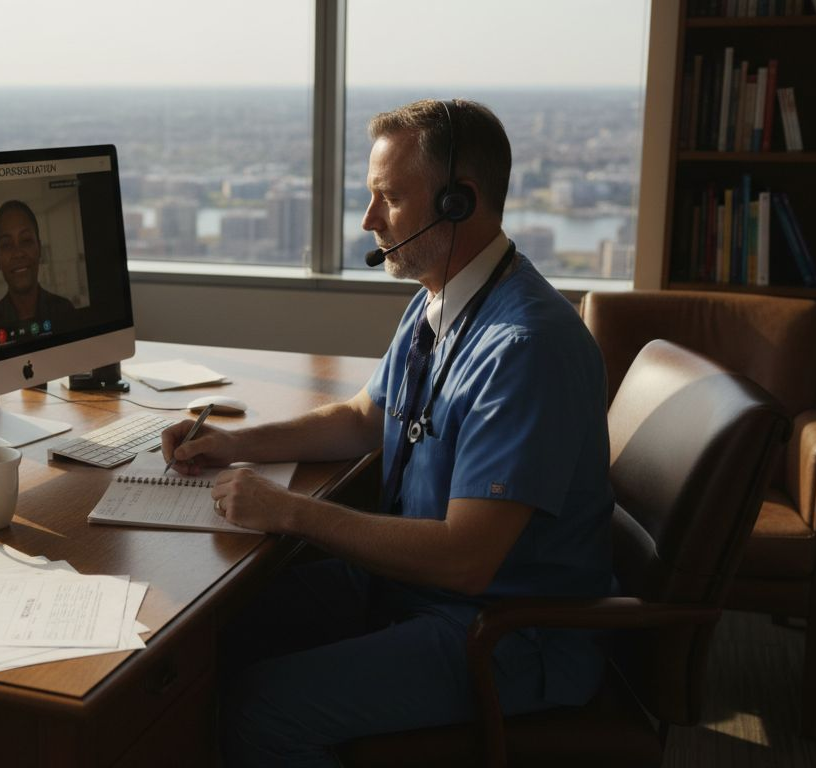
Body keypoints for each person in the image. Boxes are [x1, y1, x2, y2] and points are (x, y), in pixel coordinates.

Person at [161, 99, 614, 766]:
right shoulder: (439, 298)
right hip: (416, 590)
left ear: (459, 202)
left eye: (388, 199)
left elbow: (467, 558)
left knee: (261, 708)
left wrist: (291, 513)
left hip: (504, 633)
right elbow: (364, 418)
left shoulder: (526, 347)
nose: (369, 221)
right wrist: (236, 443)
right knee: (204, 640)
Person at [0, 200, 76, 338]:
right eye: (6, 245)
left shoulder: (64, 310)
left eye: (26, 240)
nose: (18, 253)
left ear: (39, 249)